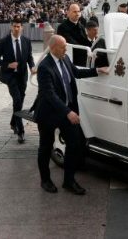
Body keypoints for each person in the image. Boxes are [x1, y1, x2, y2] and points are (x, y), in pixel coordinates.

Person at [34, 35, 107, 194]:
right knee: (45, 148)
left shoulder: (65, 58)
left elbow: (76, 73)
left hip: (66, 111)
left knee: (74, 144)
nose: (66, 50)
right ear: (53, 48)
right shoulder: (45, 67)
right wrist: (68, 112)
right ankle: (45, 180)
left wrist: (96, 70)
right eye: (63, 47)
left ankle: (69, 180)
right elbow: (50, 95)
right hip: (48, 113)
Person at [0, 20, 36, 143]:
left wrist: (32, 67)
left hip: (22, 76)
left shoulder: (26, 41)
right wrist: (7, 65)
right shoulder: (4, 41)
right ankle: (20, 131)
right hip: (10, 76)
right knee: (17, 100)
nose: (16, 29)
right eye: (14, 26)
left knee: (20, 100)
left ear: (22, 28)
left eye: (18, 26)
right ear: (11, 27)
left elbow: (29, 57)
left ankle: (13, 121)